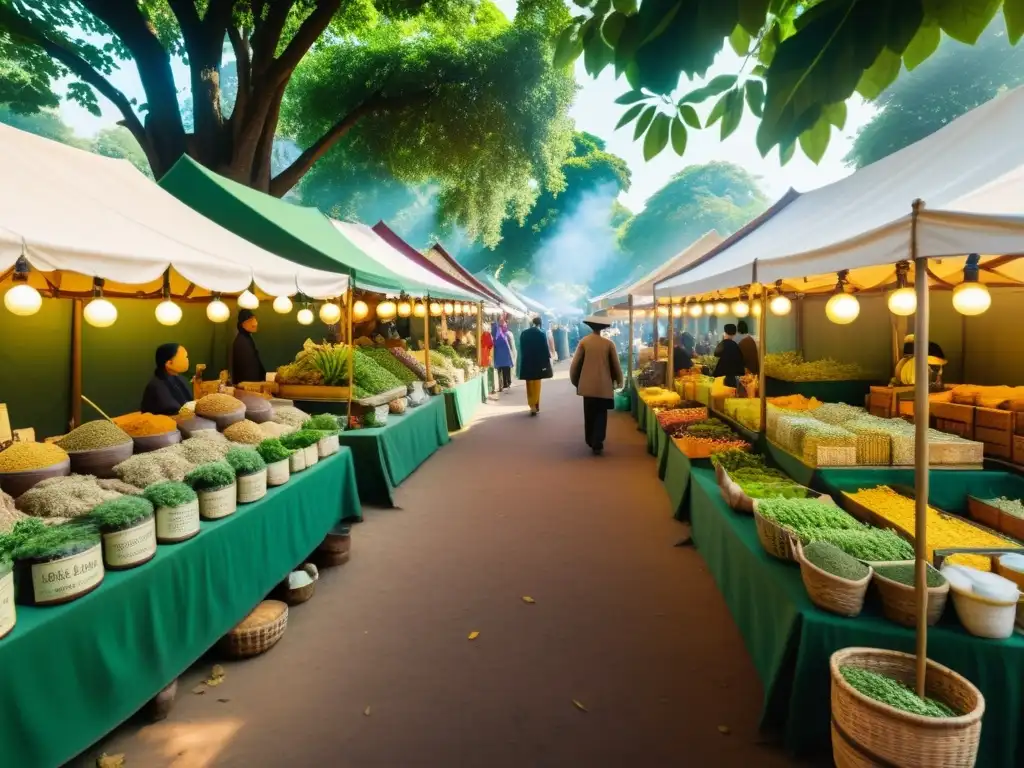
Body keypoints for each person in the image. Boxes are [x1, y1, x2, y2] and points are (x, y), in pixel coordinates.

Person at [570, 316, 624, 455]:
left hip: (587, 386)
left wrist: (576, 381)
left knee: (589, 414)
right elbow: (615, 365)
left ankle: (590, 439)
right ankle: (598, 440)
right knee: (601, 413)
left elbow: (575, 365)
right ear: (603, 328)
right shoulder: (608, 344)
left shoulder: (584, 342)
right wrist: (619, 380)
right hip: (604, 385)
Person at [141, 343, 192, 415]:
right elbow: (172, 410)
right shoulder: (156, 386)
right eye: (184, 357)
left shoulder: (181, 379)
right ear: (169, 363)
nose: (187, 360)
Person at [519, 317, 553, 415]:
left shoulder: (524, 333)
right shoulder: (541, 334)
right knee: (537, 384)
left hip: (527, 363)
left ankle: (531, 405)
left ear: (532, 323)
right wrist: (547, 361)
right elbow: (545, 350)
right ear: (540, 324)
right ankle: (536, 405)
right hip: (538, 363)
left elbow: (521, 348)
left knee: (529, 384)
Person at [230, 309, 266, 385]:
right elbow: (250, 370)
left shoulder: (245, 339)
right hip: (249, 388)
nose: (255, 324)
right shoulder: (242, 342)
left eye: (254, 320)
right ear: (242, 324)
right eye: (250, 321)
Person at [713, 323, 746, 388]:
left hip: (721, 377)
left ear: (725, 332)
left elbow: (716, 354)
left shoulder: (722, 344)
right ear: (734, 334)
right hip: (733, 378)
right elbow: (741, 361)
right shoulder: (736, 346)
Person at [492, 319, 514, 392]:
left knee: (501, 370)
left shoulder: (497, 334)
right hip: (504, 355)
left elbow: (495, 344)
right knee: (505, 369)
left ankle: (504, 384)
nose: (504, 327)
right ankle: (506, 383)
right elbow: (509, 345)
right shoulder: (505, 334)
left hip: (500, 355)